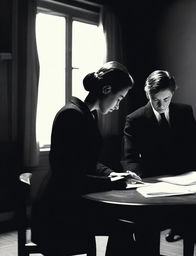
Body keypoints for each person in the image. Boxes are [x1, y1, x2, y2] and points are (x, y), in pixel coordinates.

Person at [30, 61, 138, 256]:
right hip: (60, 210)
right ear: (106, 89)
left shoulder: (85, 114)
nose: (118, 105)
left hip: (73, 200)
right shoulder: (72, 115)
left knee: (125, 223)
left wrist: (112, 173)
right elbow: (67, 177)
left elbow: (85, 162)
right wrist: (112, 183)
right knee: (124, 224)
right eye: (119, 98)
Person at [122, 70, 196, 178]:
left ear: (172, 94)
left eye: (166, 99)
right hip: (151, 179)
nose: (161, 105)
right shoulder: (134, 119)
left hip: (185, 177)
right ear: (147, 94)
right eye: (155, 100)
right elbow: (130, 160)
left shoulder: (185, 112)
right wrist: (139, 179)